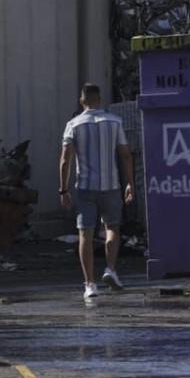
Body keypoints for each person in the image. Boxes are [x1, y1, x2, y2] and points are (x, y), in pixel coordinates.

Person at [59, 83, 133, 303]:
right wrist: (129, 183)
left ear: (82, 101)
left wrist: (63, 189)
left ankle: (89, 284)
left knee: (86, 235)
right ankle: (110, 269)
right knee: (112, 229)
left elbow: (65, 160)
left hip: (85, 187)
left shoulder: (74, 125)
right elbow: (126, 155)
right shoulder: (115, 122)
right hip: (110, 186)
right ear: (99, 99)